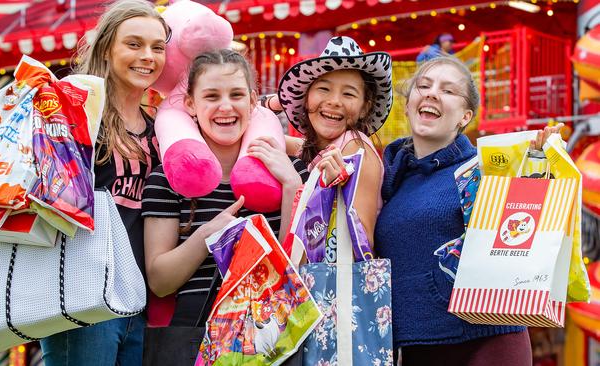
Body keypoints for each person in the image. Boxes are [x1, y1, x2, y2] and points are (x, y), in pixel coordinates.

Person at [373, 56, 560, 365]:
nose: (432, 93)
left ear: (465, 117)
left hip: (487, 340)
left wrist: (540, 166)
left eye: (448, 90)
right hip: (417, 346)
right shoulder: (390, 177)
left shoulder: (482, 169)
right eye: (423, 85)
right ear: (407, 105)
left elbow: (520, 232)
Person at [39, 1, 169, 364]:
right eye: (134, 44)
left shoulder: (162, 126)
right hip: (83, 298)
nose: (148, 56)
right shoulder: (76, 109)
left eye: (157, 47)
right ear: (107, 48)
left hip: (140, 300)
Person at [142, 49, 307, 325]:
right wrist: (208, 234)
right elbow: (159, 281)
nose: (226, 107)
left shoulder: (293, 172)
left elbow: (300, 271)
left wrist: (292, 187)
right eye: (211, 96)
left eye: (237, 95)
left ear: (253, 101)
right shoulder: (167, 180)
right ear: (191, 104)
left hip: (275, 335)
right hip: (196, 337)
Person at [277, 35, 392, 245]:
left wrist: (325, 193)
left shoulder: (355, 148)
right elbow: (270, 138)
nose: (334, 101)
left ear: (364, 108)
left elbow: (362, 240)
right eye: (323, 89)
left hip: (334, 276)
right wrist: (273, 103)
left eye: (348, 94)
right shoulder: (315, 148)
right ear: (307, 96)